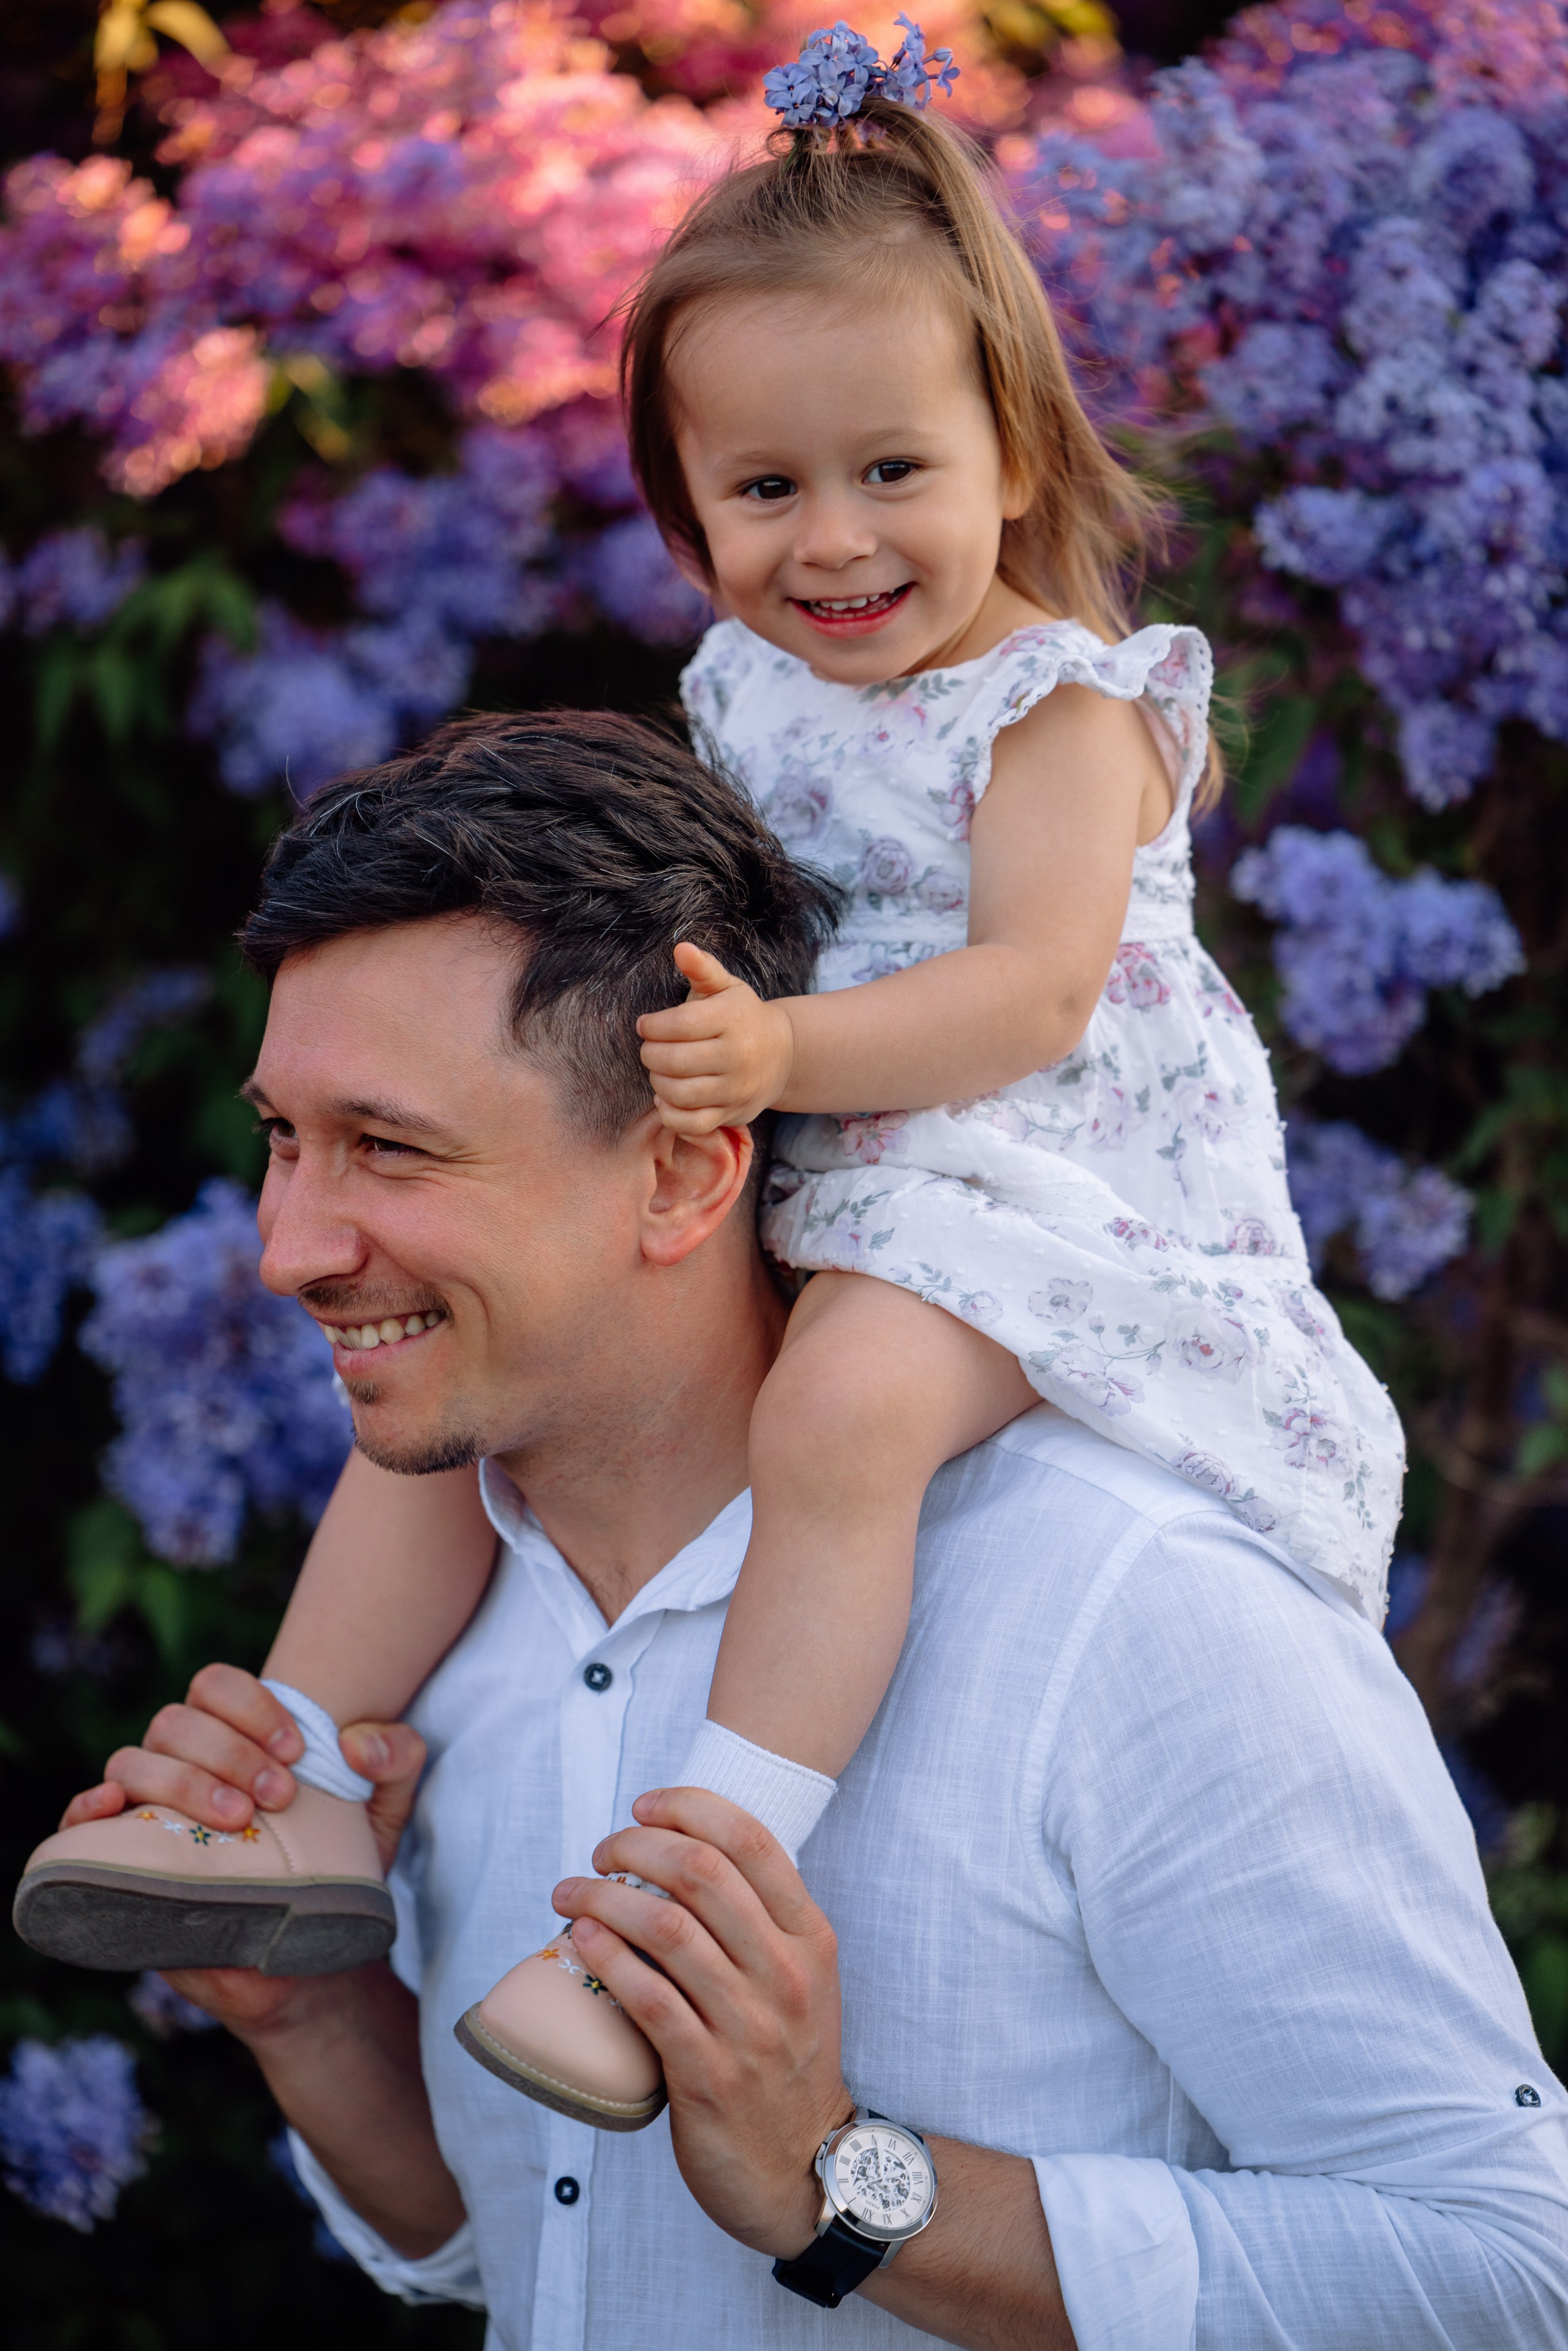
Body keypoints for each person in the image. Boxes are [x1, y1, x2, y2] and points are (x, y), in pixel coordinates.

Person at [13, 21, 1404, 2136]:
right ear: (688, 504)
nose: (829, 543)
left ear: (1014, 452)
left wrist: (774, 1054)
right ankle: (294, 1782)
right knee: (488, 1372)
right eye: (763, 490)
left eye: (890, 473)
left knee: (839, 1413)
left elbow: (1033, 998)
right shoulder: (753, 681)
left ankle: (665, 1914)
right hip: (815, 1140)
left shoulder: (1065, 711)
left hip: (1035, 1183)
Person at [22, 708, 1568, 2346]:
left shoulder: (1133, 1605)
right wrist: (317, 2023)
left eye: (390, 1149)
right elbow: (533, 2254)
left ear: (689, 1176)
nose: (287, 1249)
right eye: (285, 1140)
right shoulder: (423, 1635)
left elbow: (1509, 2273)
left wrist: (840, 2184)